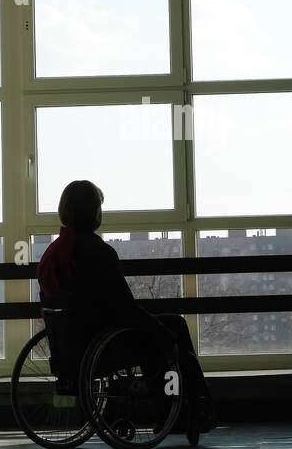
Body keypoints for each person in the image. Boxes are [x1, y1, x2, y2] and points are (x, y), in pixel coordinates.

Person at [36, 180, 216, 432]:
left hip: (69, 349)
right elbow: (125, 308)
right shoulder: (98, 252)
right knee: (171, 330)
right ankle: (188, 410)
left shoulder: (51, 253)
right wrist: (161, 332)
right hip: (103, 345)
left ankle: (175, 413)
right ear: (93, 212)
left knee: (155, 332)